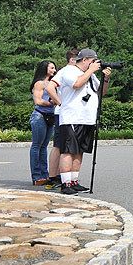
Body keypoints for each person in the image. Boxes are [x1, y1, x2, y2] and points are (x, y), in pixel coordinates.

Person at [54, 48, 112, 195]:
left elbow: (101, 92)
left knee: (79, 151)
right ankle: (65, 183)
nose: (95, 64)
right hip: (72, 118)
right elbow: (76, 84)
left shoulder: (91, 75)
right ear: (85, 60)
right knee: (68, 150)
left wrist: (106, 79)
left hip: (87, 119)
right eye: (93, 61)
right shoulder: (69, 71)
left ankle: (74, 181)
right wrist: (91, 70)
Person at [45, 48, 78, 189]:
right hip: (62, 113)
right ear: (72, 59)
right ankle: (53, 177)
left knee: (64, 146)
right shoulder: (65, 71)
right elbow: (50, 88)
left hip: (69, 113)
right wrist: (60, 103)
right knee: (59, 146)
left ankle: (60, 175)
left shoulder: (74, 72)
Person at [29, 61, 60, 185]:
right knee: (37, 146)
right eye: (51, 68)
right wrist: (52, 103)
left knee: (44, 147)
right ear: (44, 69)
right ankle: (37, 176)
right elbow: (38, 101)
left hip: (50, 117)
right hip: (39, 116)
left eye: (54, 68)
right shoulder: (39, 83)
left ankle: (45, 175)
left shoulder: (53, 84)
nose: (54, 70)